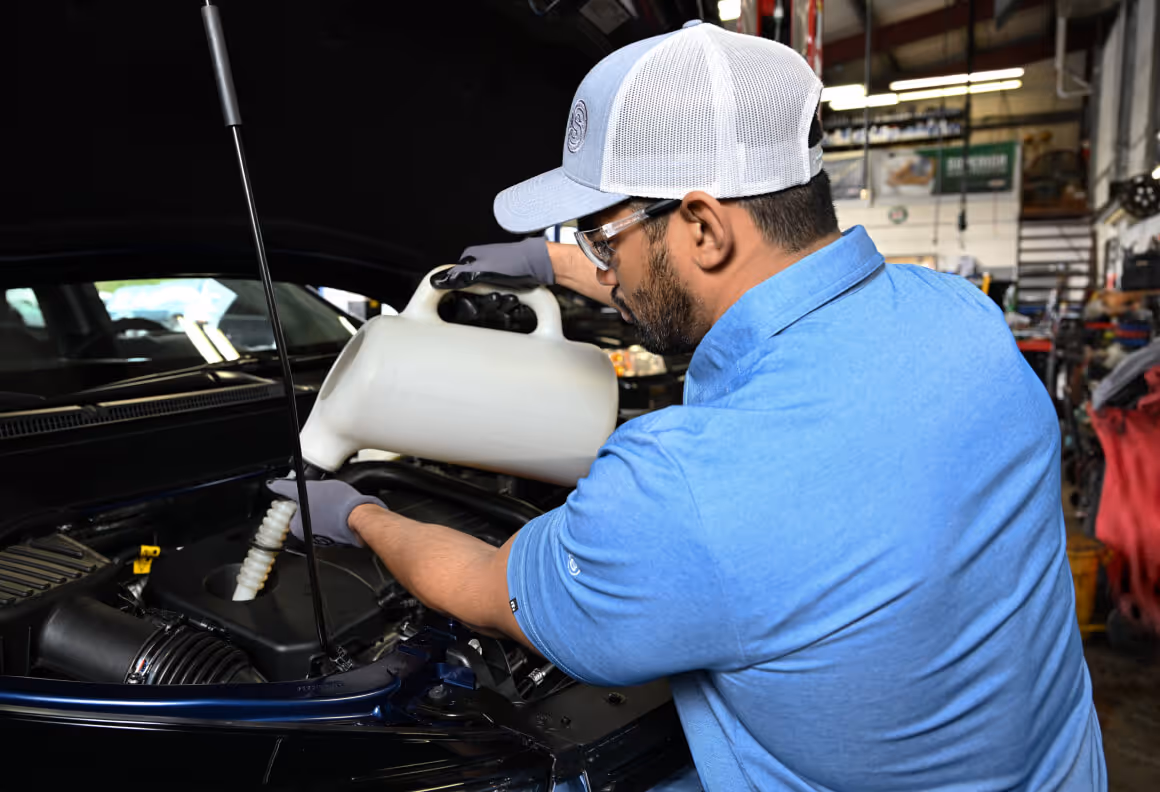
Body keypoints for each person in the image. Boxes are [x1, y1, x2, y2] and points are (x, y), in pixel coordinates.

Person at [270, 20, 1106, 791]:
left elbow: (490, 583)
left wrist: (357, 517)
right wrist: (558, 263)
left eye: (604, 238)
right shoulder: (958, 315)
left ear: (704, 227)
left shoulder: (685, 483)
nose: (607, 270)